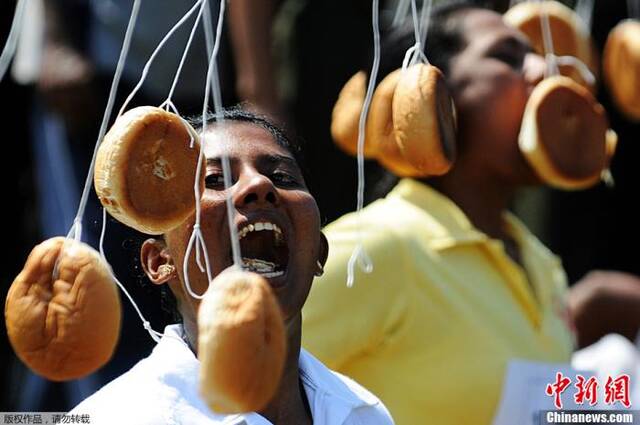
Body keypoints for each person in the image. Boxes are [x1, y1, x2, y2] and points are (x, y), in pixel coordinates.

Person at [301, 3, 575, 424]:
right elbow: (228, 388)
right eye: (507, 57)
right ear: (431, 93)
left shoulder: (543, 263)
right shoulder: (373, 250)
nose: (546, 72)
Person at [69, 108, 395, 425]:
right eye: (214, 179)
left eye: (281, 177)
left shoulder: (364, 414)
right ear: (161, 262)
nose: (258, 186)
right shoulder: (112, 417)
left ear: (318, 255)